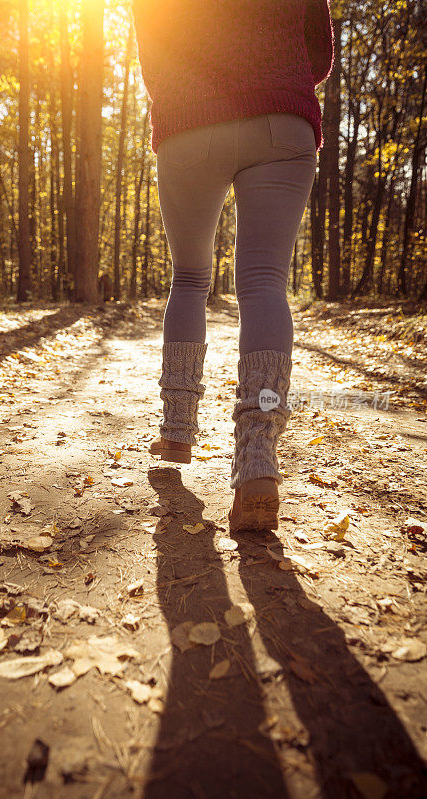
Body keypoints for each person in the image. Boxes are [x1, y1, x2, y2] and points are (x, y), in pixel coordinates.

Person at [132, 0, 334, 531]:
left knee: (191, 278)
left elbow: (151, 55)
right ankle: (258, 461)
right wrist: (273, 77)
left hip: (190, 121)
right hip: (280, 119)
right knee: (265, 281)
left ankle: (177, 429)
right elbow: (319, 52)